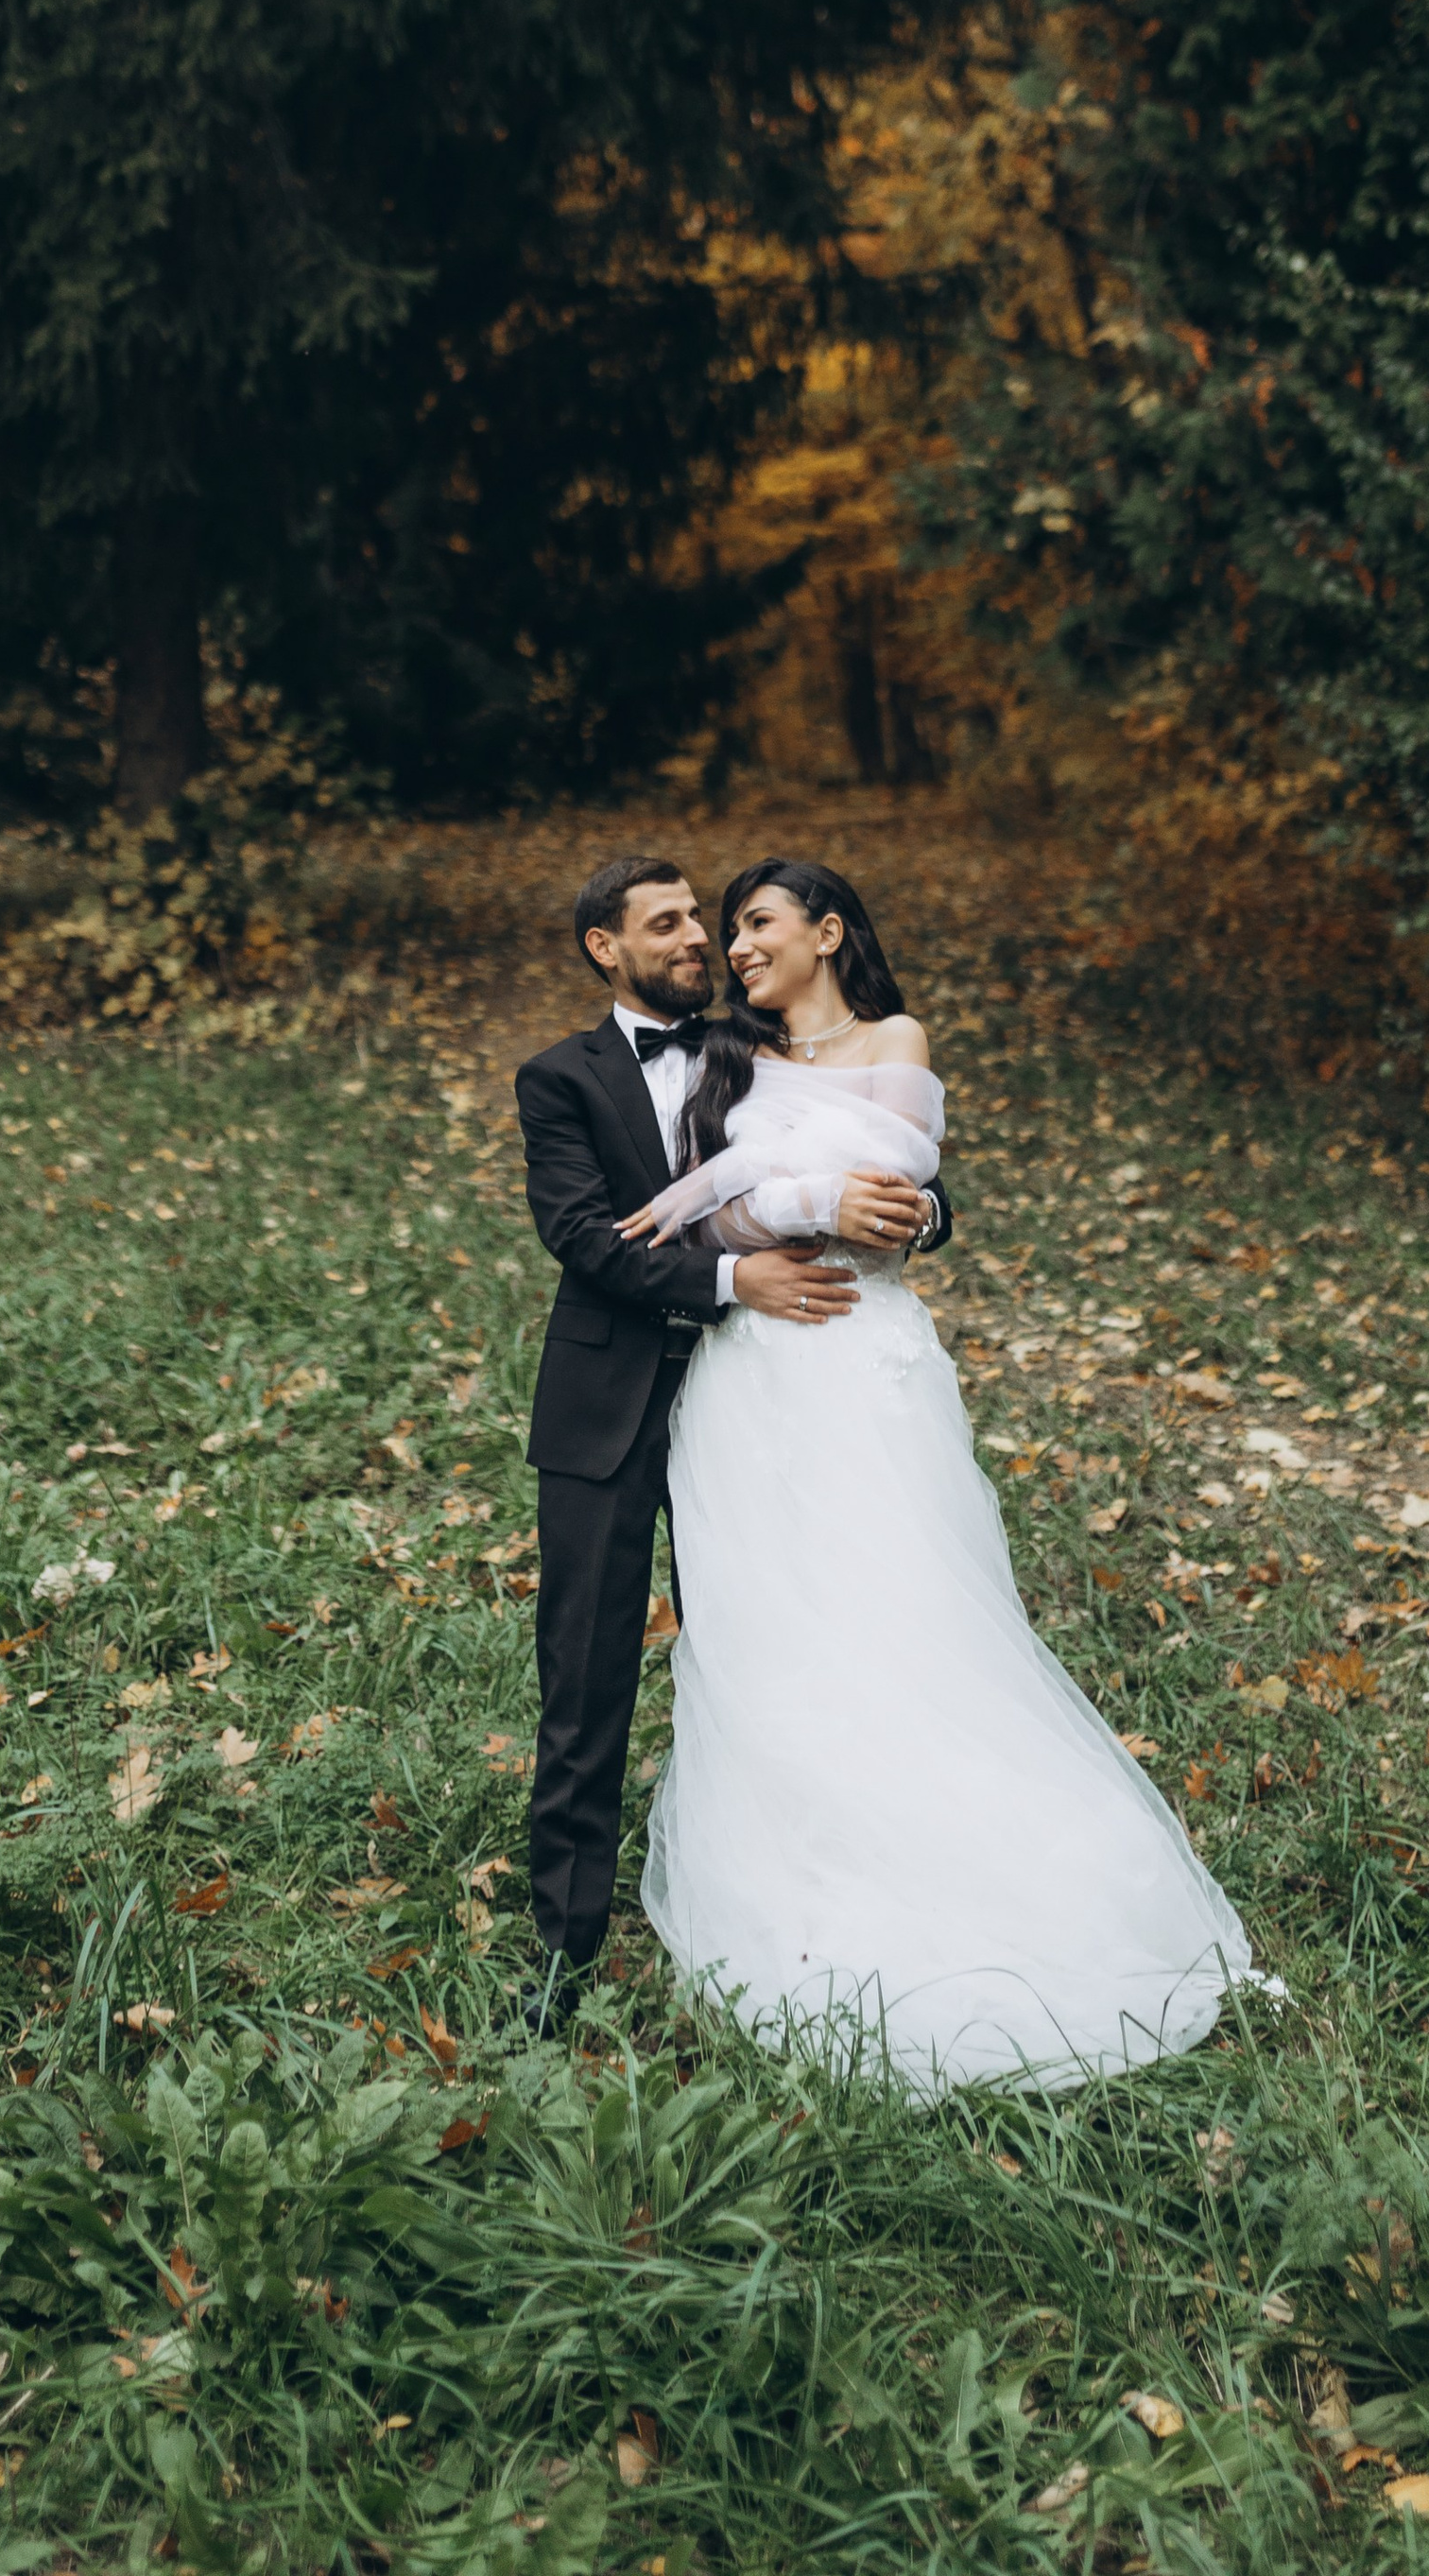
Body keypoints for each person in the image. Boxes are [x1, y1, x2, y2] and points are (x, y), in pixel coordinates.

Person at [620, 855, 1257, 2094]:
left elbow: (906, 1186)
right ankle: (793, 1877)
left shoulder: (893, 1036)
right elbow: (693, 1223)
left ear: (829, 932)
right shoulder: (719, 1065)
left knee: (902, 1612)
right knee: (768, 1631)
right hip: (750, 1377)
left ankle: (959, 1868)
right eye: (730, 931)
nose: (737, 949)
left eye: (759, 925)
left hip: (862, 1362)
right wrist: (795, 1198)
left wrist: (816, 1195)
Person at [511, 855, 951, 2033]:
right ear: (606, 947)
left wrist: (915, 1207)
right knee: (588, 1673)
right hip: (610, 1405)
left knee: (774, 1657)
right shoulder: (558, 1078)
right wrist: (730, 1275)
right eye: (665, 925)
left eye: (703, 921)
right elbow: (584, 1239)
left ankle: (788, 1915)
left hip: (757, 1402)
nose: (698, 941)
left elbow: (862, 1135)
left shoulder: (742, 1049)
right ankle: (565, 1947)